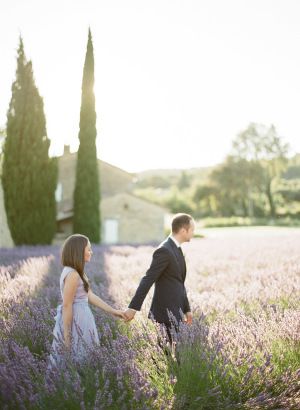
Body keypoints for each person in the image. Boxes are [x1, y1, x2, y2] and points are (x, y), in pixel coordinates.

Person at [50, 234, 125, 366]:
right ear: (79, 251)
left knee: (83, 360)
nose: (91, 252)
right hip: (77, 320)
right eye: (88, 249)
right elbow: (67, 305)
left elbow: (89, 295)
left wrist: (112, 310)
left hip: (82, 318)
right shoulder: (72, 274)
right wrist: (67, 337)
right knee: (77, 359)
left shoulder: (76, 272)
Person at [124, 213, 195, 345]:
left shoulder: (177, 249)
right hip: (165, 315)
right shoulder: (164, 250)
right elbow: (148, 279)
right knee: (166, 355)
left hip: (176, 311)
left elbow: (178, 282)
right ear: (183, 230)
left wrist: (187, 309)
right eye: (192, 230)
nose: (193, 233)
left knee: (177, 357)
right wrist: (133, 308)